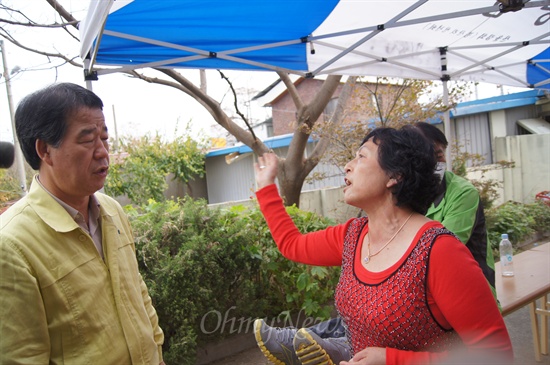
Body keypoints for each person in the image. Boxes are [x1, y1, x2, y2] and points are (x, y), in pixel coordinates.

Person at [253, 126, 512, 364]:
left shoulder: (439, 251)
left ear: (395, 175)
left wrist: (392, 359)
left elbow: (495, 355)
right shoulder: (352, 237)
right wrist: (266, 186)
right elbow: (292, 245)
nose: (347, 166)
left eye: (361, 156)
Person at [0, 83, 165, 364]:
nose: (102, 152)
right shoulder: (12, 245)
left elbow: (137, 294)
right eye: (88, 140)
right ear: (45, 150)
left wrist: (157, 353)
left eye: (104, 138)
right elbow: (22, 356)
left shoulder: (111, 210)